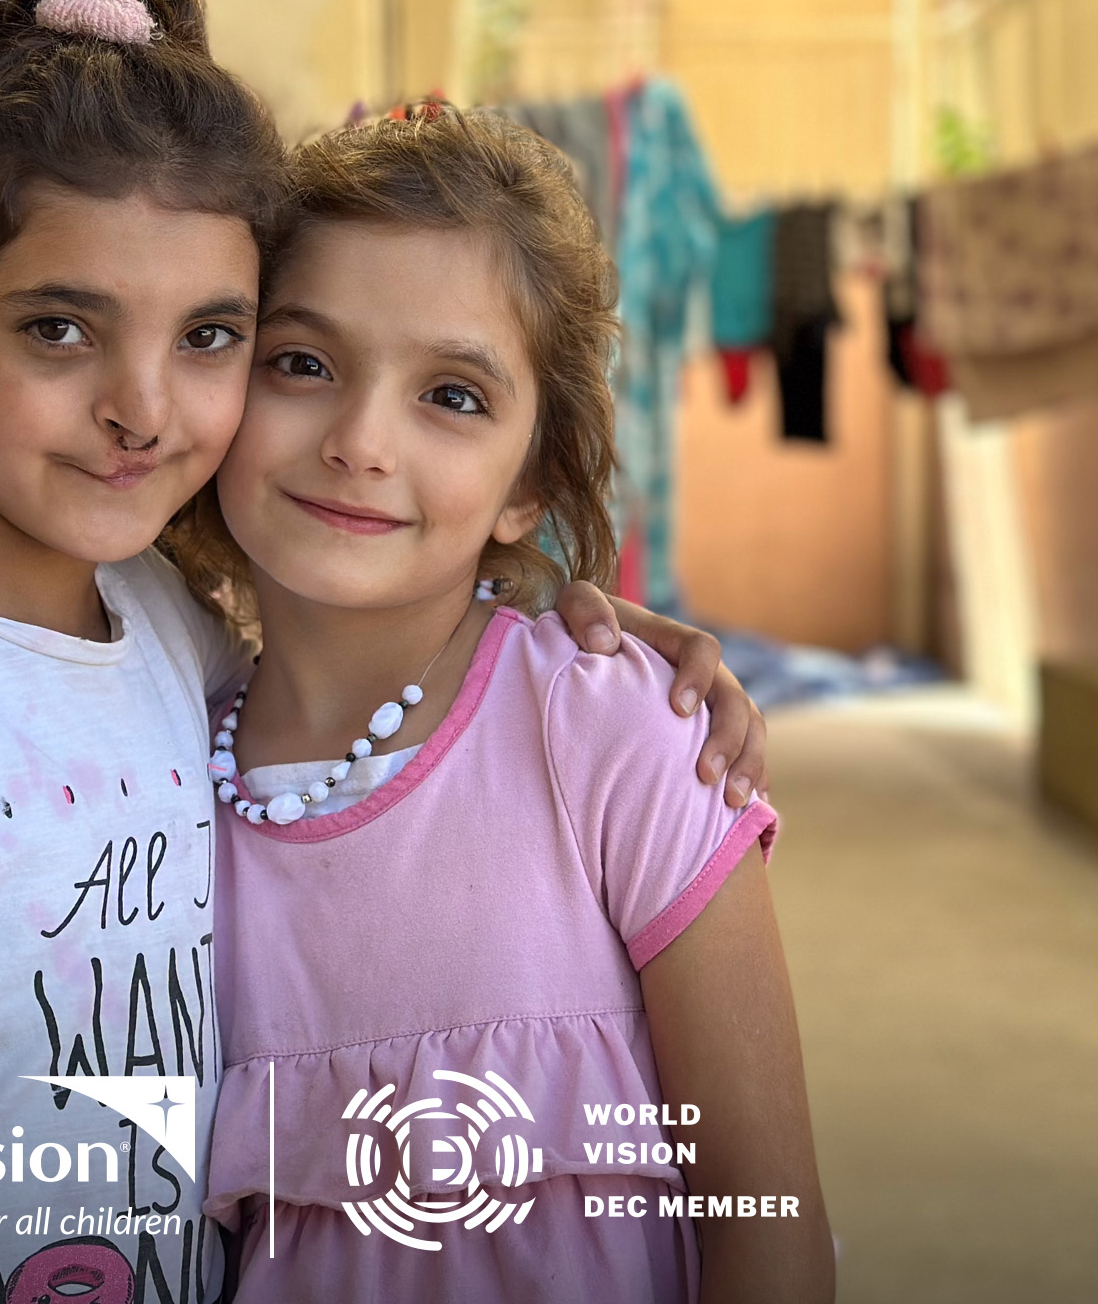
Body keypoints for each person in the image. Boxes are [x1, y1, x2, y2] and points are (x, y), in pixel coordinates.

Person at [0, 0, 767, 1303]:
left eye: (207, 337)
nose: (141, 407)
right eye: (59, 330)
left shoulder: (174, 640)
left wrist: (571, 610)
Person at [190, 105, 832, 1302]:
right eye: (303, 363)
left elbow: (771, 1222)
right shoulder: (152, 766)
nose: (360, 441)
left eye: (453, 397)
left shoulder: (616, 738)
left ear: (527, 485)